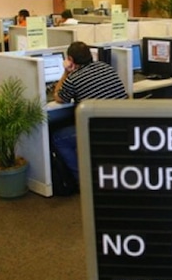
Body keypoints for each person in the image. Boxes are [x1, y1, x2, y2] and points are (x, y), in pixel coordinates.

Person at [52, 41, 128, 180]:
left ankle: (83, 180)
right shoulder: (106, 67)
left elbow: (58, 97)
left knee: (58, 138)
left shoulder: (73, 79)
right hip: (122, 125)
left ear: (71, 60)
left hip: (100, 130)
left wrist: (66, 72)